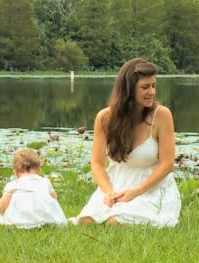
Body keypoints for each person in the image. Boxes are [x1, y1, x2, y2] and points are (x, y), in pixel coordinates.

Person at [71, 58, 181, 227]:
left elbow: (167, 164)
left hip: (151, 186)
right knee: (86, 222)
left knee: (115, 222)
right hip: (116, 183)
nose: (151, 92)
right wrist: (108, 192)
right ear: (128, 90)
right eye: (145, 87)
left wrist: (136, 192)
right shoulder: (105, 118)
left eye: (154, 86)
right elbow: (97, 163)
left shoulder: (162, 115)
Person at [0, 148, 67, 228]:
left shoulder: (13, 185)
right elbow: (54, 198)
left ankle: (22, 224)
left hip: (19, 220)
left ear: (16, 172)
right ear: (39, 170)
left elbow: (3, 204)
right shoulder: (45, 182)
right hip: (46, 219)